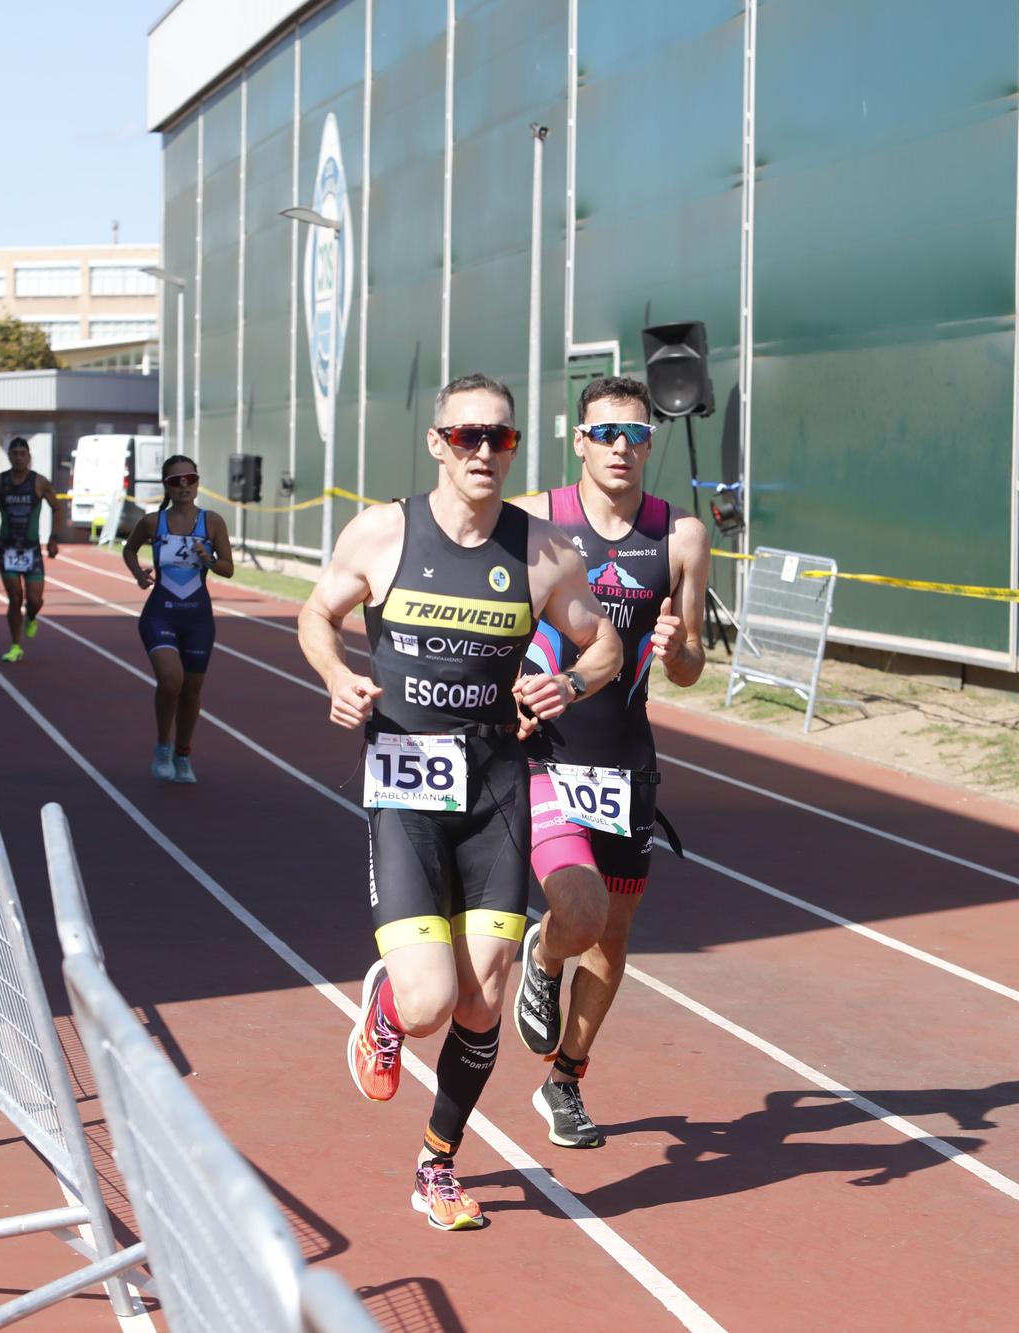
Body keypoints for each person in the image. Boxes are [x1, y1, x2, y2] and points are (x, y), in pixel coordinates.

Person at [298, 372, 621, 1230]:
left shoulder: (546, 552)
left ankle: (437, 1162)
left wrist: (571, 683)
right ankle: (387, 1005)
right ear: (438, 442)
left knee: (483, 1000)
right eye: (468, 435)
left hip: (496, 792)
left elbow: (605, 643)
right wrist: (337, 676)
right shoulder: (382, 531)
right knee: (433, 998)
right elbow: (317, 614)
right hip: (406, 790)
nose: (484, 451)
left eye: (501, 438)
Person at [508, 375, 709, 1148]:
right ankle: (541, 949)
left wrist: (678, 646)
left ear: (650, 442)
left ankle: (566, 1078)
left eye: (636, 433)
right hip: (547, 749)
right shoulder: (536, 522)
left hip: (624, 755)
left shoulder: (681, 536)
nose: (622, 446)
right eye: (606, 433)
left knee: (613, 936)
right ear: (580, 441)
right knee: (575, 906)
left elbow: (689, 665)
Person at [123, 455, 234, 782]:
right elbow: (130, 550)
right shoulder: (152, 523)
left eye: (189, 478)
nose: (184, 485)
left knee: (191, 691)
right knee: (171, 681)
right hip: (160, 615)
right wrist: (139, 576)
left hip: (198, 619)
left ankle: (183, 754)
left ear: (197, 481)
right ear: (167, 486)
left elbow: (228, 568)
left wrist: (209, 560)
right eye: (175, 481)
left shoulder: (212, 522)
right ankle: (162, 746)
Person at [0, 437, 65, 664]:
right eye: (14, 454)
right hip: (7, 549)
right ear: (9, 456)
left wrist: (53, 538)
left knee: (35, 600)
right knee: (15, 598)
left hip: (31, 549)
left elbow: (57, 508)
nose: (19, 458)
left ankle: (32, 617)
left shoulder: (39, 482)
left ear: (29, 457)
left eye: (22, 453)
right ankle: (16, 645)